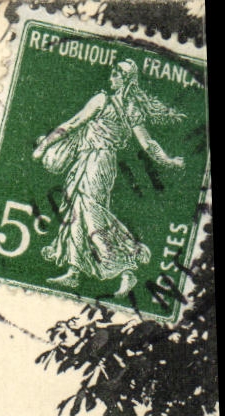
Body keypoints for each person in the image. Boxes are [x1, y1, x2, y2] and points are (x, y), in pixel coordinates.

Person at [32, 58, 188, 297]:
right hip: (97, 162)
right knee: (78, 211)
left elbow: (72, 124)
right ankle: (75, 270)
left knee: (90, 212)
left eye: (116, 74)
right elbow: (148, 144)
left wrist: (44, 145)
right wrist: (168, 160)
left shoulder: (102, 100)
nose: (111, 77)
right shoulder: (132, 110)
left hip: (96, 162)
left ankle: (126, 266)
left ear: (125, 80)